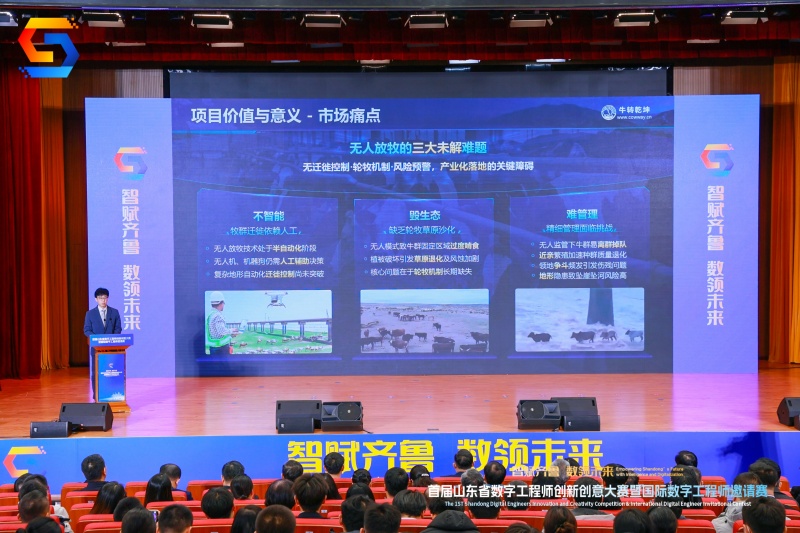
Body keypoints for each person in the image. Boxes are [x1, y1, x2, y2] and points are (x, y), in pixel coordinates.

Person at [83, 288, 122, 399]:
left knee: (111, 371)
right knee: (97, 372)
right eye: (100, 298)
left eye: (105, 298)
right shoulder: (90, 314)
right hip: (97, 349)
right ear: (96, 299)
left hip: (111, 349)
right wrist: (97, 340)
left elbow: (118, 328)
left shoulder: (114, 312)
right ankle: (97, 395)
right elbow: (87, 330)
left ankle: (111, 394)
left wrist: (111, 340)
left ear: (107, 299)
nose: (103, 300)